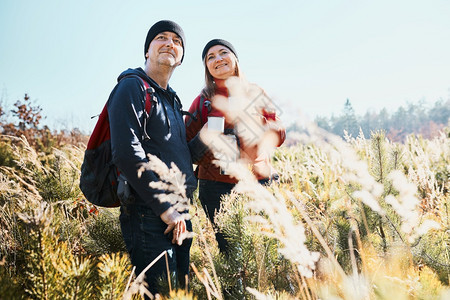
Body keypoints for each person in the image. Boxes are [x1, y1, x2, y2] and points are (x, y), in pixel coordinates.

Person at [107, 20, 197, 296]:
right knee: (160, 293)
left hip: (180, 212)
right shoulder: (132, 87)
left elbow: (181, 154)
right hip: (148, 212)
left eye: (177, 41)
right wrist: (164, 207)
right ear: (147, 50)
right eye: (161, 38)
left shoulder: (173, 101)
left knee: (178, 291)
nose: (170, 43)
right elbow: (126, 152)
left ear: (181, 58)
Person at [185, 39, 286, 255]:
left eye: (223, 53)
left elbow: (280, 135)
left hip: (260, 181)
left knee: (268, 249)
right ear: (207, 68)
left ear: (235, 59)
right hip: (215, 187)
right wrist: (209, 134)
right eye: (210, 57)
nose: (218, 59)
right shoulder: (203, 100)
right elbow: (187, 149)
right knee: (231, 252)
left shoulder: (256, 92)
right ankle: (233, 289)